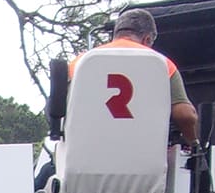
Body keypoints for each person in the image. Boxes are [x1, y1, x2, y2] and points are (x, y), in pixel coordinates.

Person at [74, 8, 199, 146]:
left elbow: (58, 110)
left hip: (88, 155)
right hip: (145, 160)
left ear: (115, 35)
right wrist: (193, 143)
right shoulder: (164, 65)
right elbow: (185, 115)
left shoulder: (79, 62)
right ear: (147, 39)